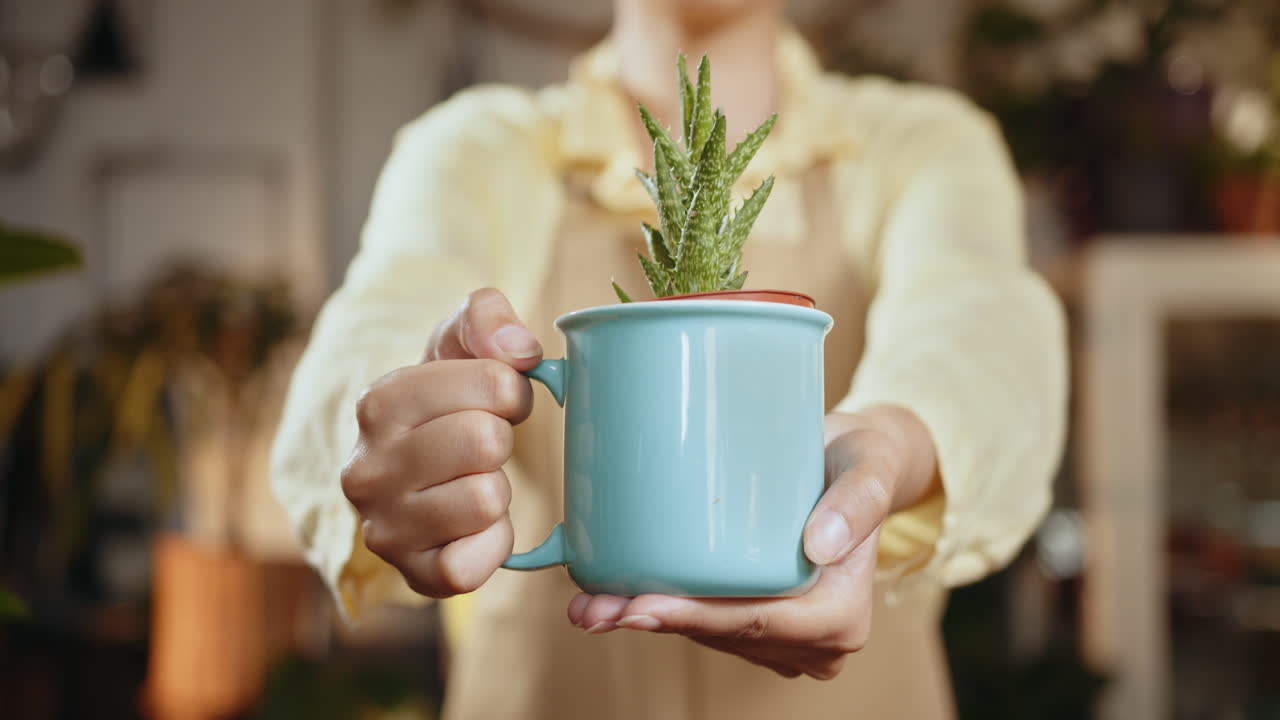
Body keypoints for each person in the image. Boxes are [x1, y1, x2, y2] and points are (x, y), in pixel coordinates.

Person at [271, 0, 1067, 717]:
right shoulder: (480, 149)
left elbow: (977, 332)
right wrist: (404, 429)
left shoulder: (915, 144)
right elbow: (378, 327)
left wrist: (891, 443)